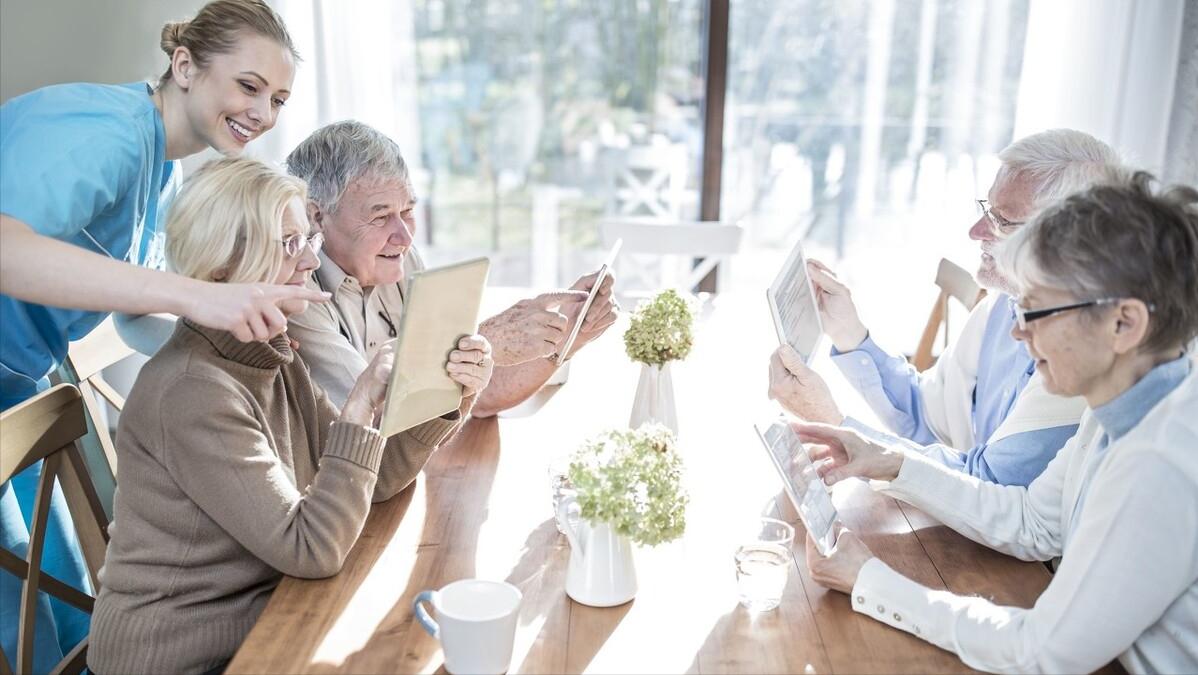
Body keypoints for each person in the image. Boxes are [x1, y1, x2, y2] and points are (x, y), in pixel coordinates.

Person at [0, 2, 320, 670]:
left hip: (20, 378)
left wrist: (238, 347)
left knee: (61, 599)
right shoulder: (108, 135)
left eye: (279, 98)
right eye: (249, 86)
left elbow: (133, 312)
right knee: (19, 615)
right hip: (14, 381)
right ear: (183, 65)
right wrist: (198, 295)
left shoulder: (166, 172)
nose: (263, 112)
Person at [88, 157, 493, 674]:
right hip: (180, 657)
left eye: (309, 239)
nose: (309, 262)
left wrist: (446, 391)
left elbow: (381, 479)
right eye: (289, 244)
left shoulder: (271, 350)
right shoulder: (194, 390)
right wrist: (360, 405)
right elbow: (312, 549)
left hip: (267, 615)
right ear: (222, 269)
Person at [802, 173, 1198, 673]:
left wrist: (871, 581)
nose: (1016, 330)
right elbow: (1033, 522)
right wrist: (889, 462)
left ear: (1124, 324)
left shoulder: (1160, 462)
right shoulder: (1122, 402)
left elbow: (1040, 651)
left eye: (1035, 310)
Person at [769, 129, 1127, 486]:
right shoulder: (1001, 307)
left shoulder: (1085, 350)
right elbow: (926, 416)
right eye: (987, 209)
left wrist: (834, 426)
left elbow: (988, 484)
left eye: (1002, 221)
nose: (975, 231)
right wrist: (850, 334)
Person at [283, 120, 618, 415]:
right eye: (381, 216)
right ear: (316, 216)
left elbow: (470, 397)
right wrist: (482, 342)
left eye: (409, 210)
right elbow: (378, 415)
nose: (403, 235)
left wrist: (566, 337)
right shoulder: (296, 290)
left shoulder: (398, 258)